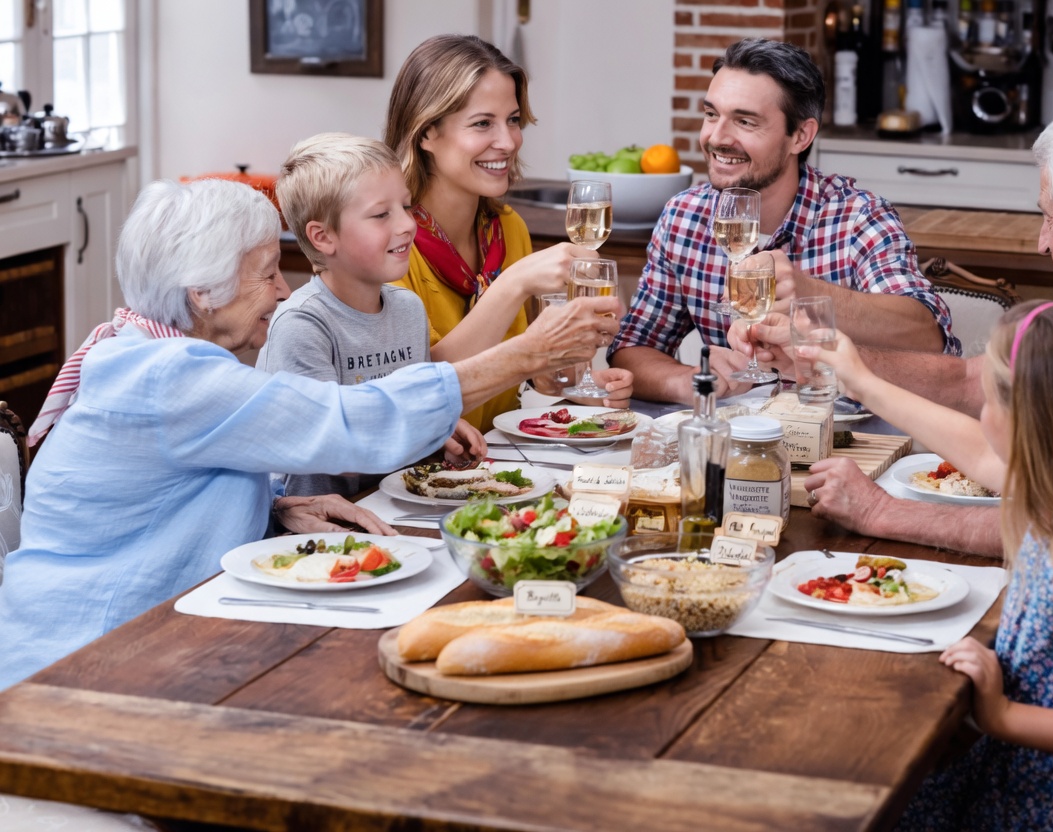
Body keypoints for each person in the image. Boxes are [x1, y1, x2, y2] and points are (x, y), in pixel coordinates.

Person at [738, 100, 1053, 755]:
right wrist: (834, 362)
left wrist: (886, 513)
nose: (1040, 239)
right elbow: (976, 387)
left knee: (888, 715)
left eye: (1048, 216)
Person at [0, 177, 619, 689]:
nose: (283, 290)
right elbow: (350, 421)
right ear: (203, 294)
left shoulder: (143, 354)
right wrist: (524, 354)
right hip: (79, 667)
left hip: (131, 642)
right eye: (267, 273)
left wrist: (270, 509)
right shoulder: (168, 377)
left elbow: (148, 496)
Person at [800, 302, 1053, 829]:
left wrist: (1002, 715)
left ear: (1026, 423)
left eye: (987, 398)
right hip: (1030, 771)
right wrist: (862, 381)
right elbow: (979, 455)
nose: (978, 415)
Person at [607, 37, 957, 405]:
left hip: (849, 443)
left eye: (745, 121)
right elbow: (633, 346)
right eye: (712, 114)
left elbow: (930, 335)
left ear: (800, 136)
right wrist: (693, 381)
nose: (716, 137)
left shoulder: (858, 217)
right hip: (736, 442)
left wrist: (811, 297)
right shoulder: (685, 216)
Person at [383, 34, 632, 431]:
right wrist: (513, 284)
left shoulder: (507, 228)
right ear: (427, 132)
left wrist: (564, 381)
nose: (508, 141)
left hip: (492, 471)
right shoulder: (391, 245)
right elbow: (419, 389)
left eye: (513, 120)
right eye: (483, 123)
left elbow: (516, 373)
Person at [258, 132, 486, 498]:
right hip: (323, 530)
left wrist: (439, 433)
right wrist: (425, 421)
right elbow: (337, 451)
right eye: (382, 214)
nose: (407, 224)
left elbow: (403, 427)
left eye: (406, 206)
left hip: (393, 509)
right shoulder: (302, 325)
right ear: (323, 237)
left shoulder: (408, 309)